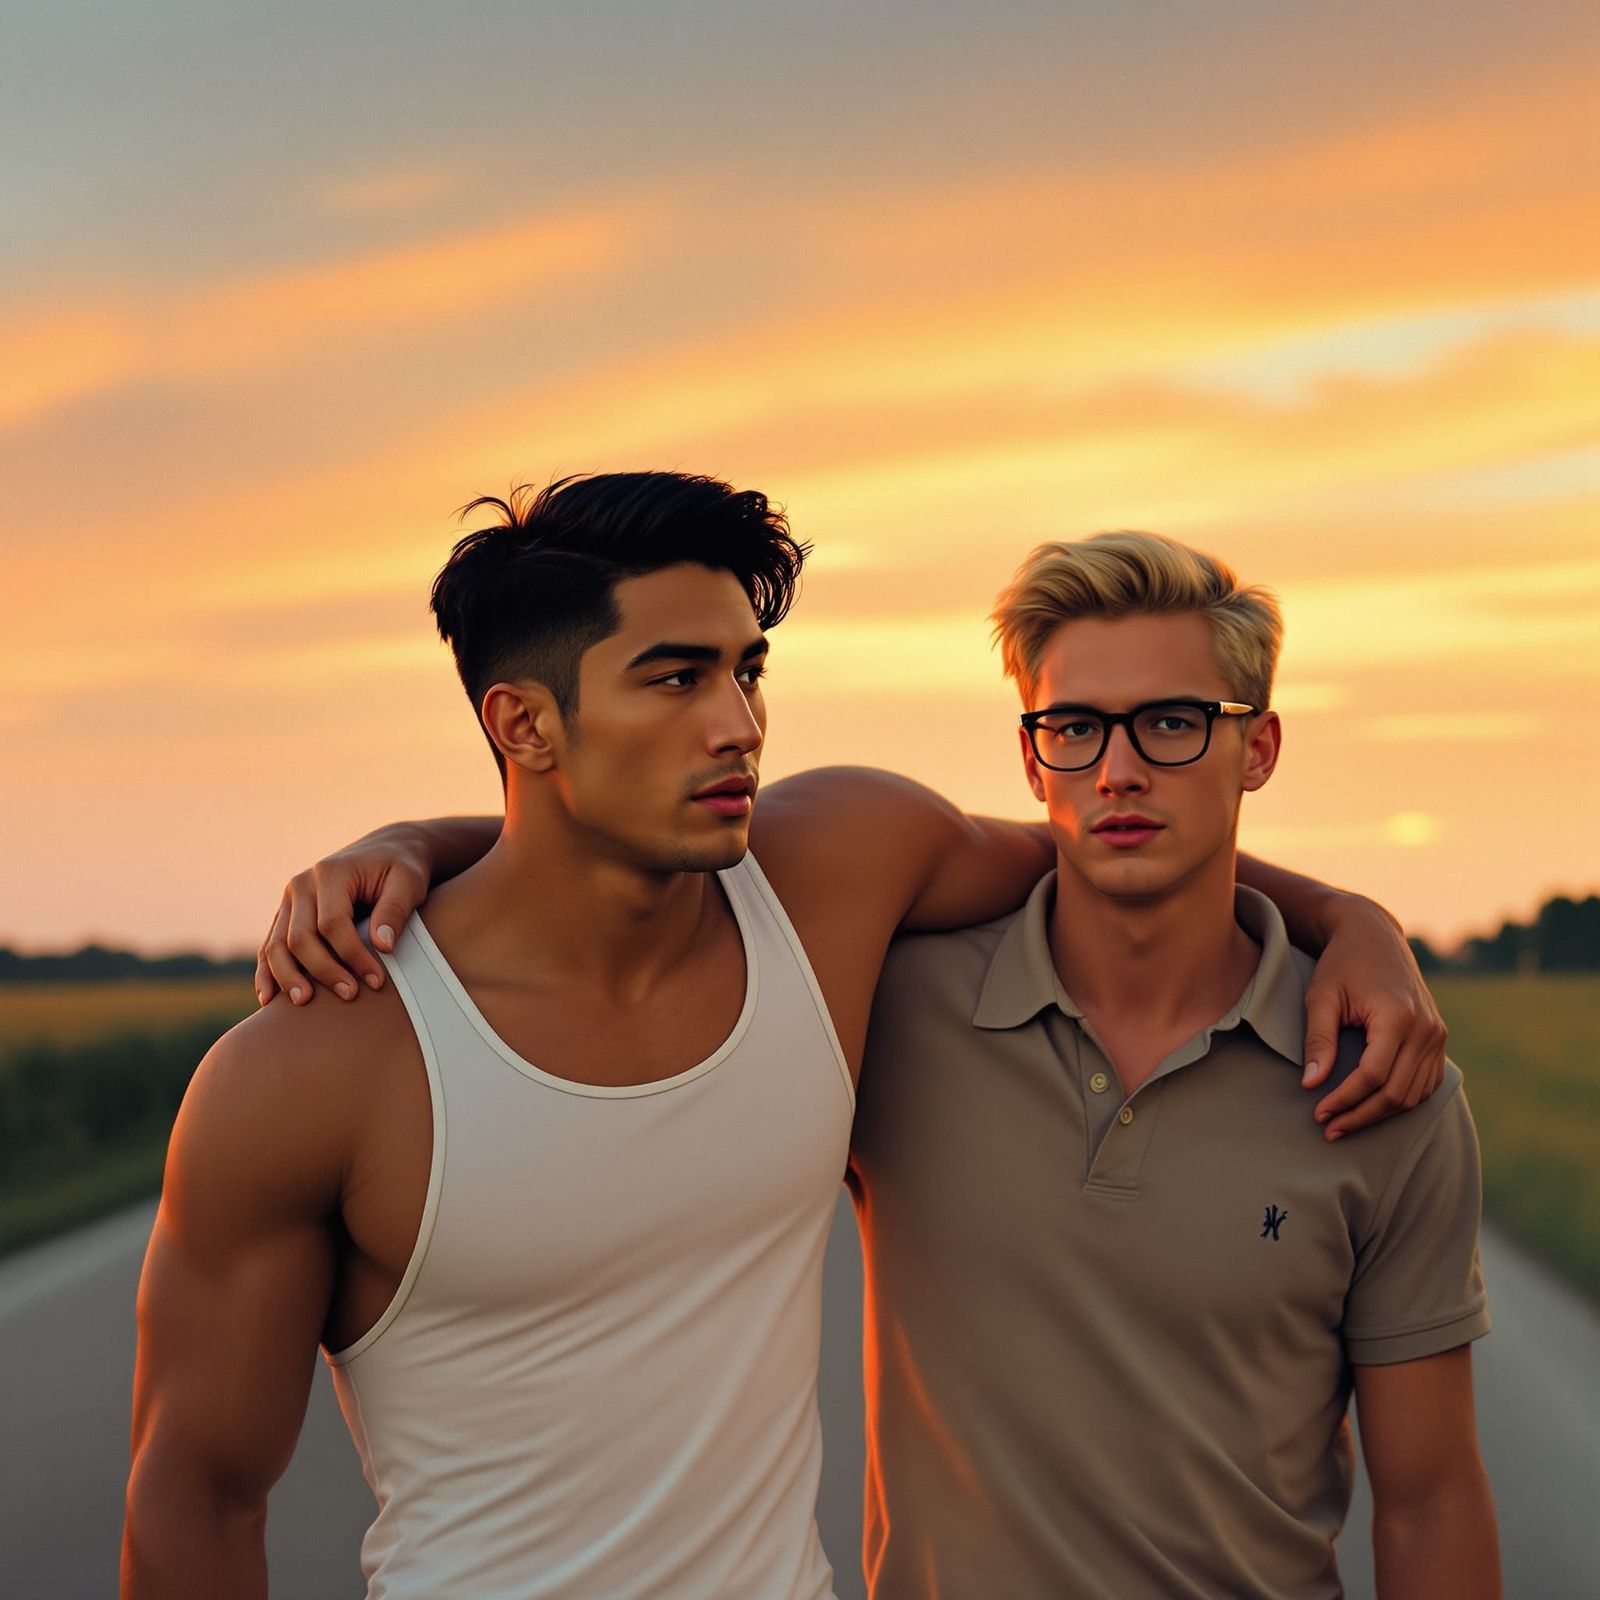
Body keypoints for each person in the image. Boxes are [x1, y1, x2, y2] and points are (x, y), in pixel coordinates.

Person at [197, 475, 1444, 1597]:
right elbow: (194, 1498)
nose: (739, 722)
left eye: (750, 671)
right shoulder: (312, 1068)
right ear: (523, 725)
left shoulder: (836, 874)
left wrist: (1355, 919)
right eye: (678, 679)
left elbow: (1121, 845)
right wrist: (406, 846)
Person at [847, 531, 1498, 1597]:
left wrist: (1355, 921)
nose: (1117, 768)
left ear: (1259, 748)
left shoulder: (1378, 1079)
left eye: (1171, 723)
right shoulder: (897, 1009)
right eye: (1074, 726)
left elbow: (1428, 1502)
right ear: (1030, 756)